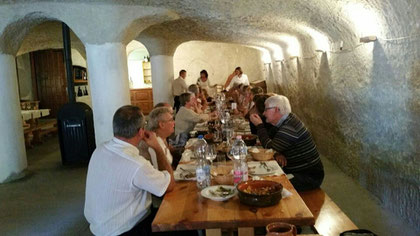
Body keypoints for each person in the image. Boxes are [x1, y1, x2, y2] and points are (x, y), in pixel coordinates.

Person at [84, 105, 175, 236]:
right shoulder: (137, 164)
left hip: (99, 227)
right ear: (140, 132)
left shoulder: (100, 150)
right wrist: (157, 148)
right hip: (126, 229)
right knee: (183, 226)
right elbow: (169, 185)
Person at [250, 95, 324, 192]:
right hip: (296, 170)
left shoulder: (290, 127)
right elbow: (273, 141)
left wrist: (259, 126)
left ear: (276, 109)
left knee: (269, 187)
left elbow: (269, 148)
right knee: (264, 178)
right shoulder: (287, 120)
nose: (263, 113)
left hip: (308, 176)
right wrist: (278, 152)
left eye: (266, 109)